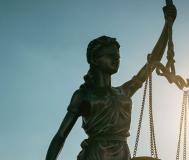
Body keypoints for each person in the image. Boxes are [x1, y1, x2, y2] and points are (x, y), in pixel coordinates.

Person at [46, 4, 177, 160]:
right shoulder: (84, 95)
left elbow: (154, 60)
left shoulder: (125, 91)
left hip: (123, 153)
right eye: (109, 55)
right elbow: (60, 136)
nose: (116, 59)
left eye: (117, 56)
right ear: (94, 59)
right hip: (97, 155)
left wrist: (168, 24)